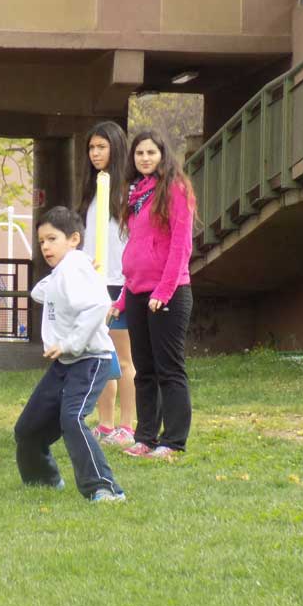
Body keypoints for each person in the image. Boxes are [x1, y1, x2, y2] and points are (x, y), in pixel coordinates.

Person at [14, 206, 125, 502]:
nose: (45, 247)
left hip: (90, 360)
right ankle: (44, 483)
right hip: (65, 364)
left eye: (52, 239)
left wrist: (69, 344)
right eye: (42, 242)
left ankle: (104, 488)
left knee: (72, 418)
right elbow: (39, 293)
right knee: (28, 429)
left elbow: (98, 306)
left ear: (74, 239)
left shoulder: (74, 266)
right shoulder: (68, 270)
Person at [112, 130, 196, 459]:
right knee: (144, 369)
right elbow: (134, 249)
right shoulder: (135, 193)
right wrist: (122, 298)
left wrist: (164, 290)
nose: (145, 158)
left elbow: (181, 246)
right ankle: (145, 436)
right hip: (136, 291)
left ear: (163, 155)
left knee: (169, 369)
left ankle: (173, 441)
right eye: (139, 154)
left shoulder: (175, 189)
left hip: (169, 294)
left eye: (151, 152)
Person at [78, 121, 136, 447]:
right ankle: (105, 423)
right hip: (93, 286)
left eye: (101, 147)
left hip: (121, 286)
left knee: (124, 358)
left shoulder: (130, 193)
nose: (96, 153)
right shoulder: (91, 194)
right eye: (91, 148)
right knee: (101, 356)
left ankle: (127, 426)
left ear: (115, 148)